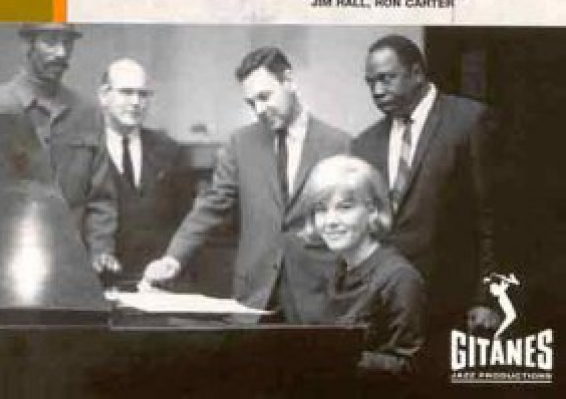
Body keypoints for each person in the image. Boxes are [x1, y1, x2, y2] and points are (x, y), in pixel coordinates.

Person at [140, 46, 351, 322]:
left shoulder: (339, 144)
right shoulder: (240, 143)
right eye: (251, 103)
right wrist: (173, 258)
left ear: (288, 80)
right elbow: (213, 205)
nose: (259, 110)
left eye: (264, 97)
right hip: (254, 296)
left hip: (318, 296)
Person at [352, 34, 498, 332]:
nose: (377, 91)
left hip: (452, 304)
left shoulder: (468, 120)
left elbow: (492, 217)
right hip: (385, 307)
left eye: (386, 78)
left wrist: (487, 298)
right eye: (370, 83)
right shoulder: (364, 144)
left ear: (417, 73)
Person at [0, 23, 118, 272]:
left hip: (71, 265)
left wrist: (101, 251)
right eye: (50, 41)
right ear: (27, 45)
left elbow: (101, 199)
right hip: (1, 262)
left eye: (67, 43)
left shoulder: (87, 113)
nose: (61, 52)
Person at [298, 155, 425, 376]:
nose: (330, 221)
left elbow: (409, 368)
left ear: (372, 210)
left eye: (344, 207)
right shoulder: (339, 269)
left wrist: (333, 355)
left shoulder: (400, 278)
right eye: (321, 209)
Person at [98, 58, 188, 281]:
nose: (136, 102)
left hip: (157, 281)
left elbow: (184, 220)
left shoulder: (169, 150)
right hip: (99, 279)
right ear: (104, 95)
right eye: (126, 92)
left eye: (143, 94)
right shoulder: (84, 149)